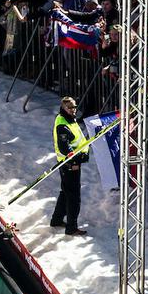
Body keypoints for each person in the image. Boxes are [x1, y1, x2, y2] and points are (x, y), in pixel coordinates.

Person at [50, 96, 89, 236]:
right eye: (70, 107)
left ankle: (57, 219)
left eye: (74, 107)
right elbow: (64, 147)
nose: (73, 110)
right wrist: (76, 158)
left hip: (71, 163)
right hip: (69, 164)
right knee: (73, 197)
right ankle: (71, 227)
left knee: (66, 191)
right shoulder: (62, 124)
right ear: (64, 108)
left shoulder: (69, 119)